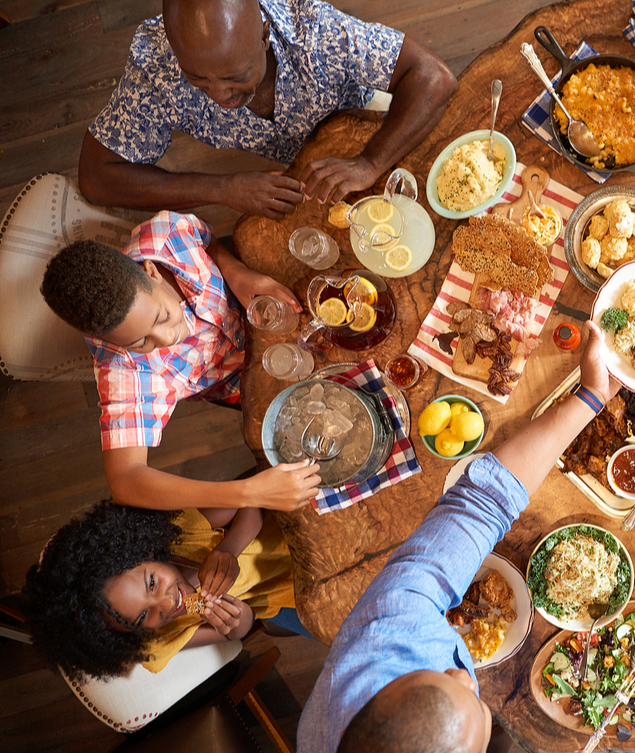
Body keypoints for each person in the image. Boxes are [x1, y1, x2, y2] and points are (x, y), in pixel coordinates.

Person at [278, 324, 616, 753]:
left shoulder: (381, 641)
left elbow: (481, 504)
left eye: (433, 679)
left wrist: (591, 397)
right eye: (475, 704)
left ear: (370, 700)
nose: (462, 673)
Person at [40, 210, 321, 511]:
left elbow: (206, 237)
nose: (166, 338)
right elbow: (125, 480)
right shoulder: (124, 369)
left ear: (151, 272)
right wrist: (248, 493)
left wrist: (234, 270)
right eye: (141, 342)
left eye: (162, 317)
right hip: (252, 386)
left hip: (273, 310)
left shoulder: (166, 233)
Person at [78, 0, 457, 220]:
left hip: (367, 126)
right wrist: (221, 188)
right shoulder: (155, 64)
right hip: (294, 171)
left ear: (263, 36)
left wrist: (369, 162)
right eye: (197, 79)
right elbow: (97, 176)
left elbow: (434, 78)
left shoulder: (312, 28)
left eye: (234, 76)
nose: (219, 95)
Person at [23, 500, 305, 679]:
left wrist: (229, 548)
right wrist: (235, 617)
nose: (168, 602)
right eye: (145, 617)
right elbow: (242, 628)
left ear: (140, 550)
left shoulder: (180, 531)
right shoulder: (159, 643)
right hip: (291, 597)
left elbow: (250, 504)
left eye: (152, 583)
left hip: (293, 531)